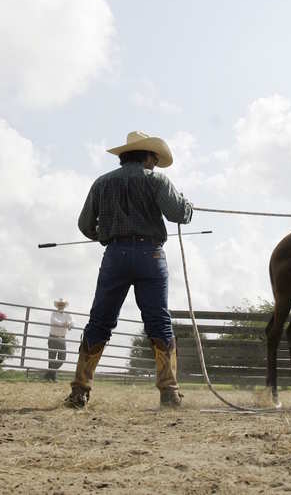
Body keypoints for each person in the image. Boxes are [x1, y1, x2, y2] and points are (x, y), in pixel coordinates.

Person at [65, 131, 192, 409]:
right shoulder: (156, 179)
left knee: (99, 320)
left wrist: (106, 235)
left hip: (115, 256)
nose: (155, 164)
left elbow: (86, 225)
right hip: (151, 254)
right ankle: (169, 392)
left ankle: (80, 391)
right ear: (146, 156)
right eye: (154, 159)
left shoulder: (102, 183)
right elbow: (177, 214)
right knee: (158, 321)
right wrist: (187, 207)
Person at [45, 298, 73, 382]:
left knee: (62, 358)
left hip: (62, 337)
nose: (61, 306)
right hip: (53, 336)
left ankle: (49, 374)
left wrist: (69, 325)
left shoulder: (68, 315)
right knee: (52, 358)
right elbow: (54, 321)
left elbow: (72, 322)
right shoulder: (53, 313)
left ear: (64, 306)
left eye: (62, 305)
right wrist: (64, 324)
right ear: (57, 306)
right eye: (59, 305)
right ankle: (52, 377)